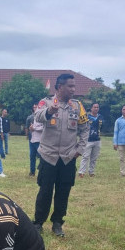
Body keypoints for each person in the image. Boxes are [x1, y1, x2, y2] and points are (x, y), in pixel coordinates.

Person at [33, 74, 89, 237]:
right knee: (45, 191)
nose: (73, 89)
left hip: (68, 157)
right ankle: (38, 223)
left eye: (74, 86)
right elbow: (37, 116)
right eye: (70, 86)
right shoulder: (46, 102)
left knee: (63, 192)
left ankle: (57, 223)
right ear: (59, 87)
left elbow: (85, 129)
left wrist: (80, 149)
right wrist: (49, 111)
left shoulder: (77, 106)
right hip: (48, 155)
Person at [78, 103, 103, 178]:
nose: (96, 108)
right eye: (94, 107)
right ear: (91, 108)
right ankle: (81, 172)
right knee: (85, 156)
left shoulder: (100, 117)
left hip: (97, 140)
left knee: (94, 158)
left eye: (97, 107)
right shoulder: (87, 117)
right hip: (88, 140)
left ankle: (91, 172)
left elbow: (102, 127)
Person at [27, 104, 43, 177]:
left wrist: (35, 129)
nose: (35, 108)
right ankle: (32, 172)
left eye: (37, 107)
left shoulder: (42, 118)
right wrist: (30, 128)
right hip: (32, 140)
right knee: (32, 156)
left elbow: (44, 128)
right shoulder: (31, 117)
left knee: (41, 156)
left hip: (39, 140)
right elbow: (28, 127)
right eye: (34, 107)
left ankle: (42, 171)